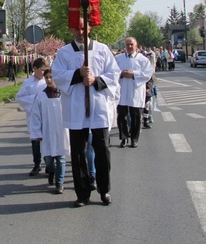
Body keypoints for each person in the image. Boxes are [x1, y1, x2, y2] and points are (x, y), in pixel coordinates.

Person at [52, 18, 121, 207]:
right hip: (76, 108)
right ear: (71, 29)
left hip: (98, 106)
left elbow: (114, 74)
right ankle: (82, 193)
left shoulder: (102, 49)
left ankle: (104, 189)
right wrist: (77, 74)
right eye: (76, 28)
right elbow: (57, 75)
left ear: (89, 28)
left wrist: (95, 80)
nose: (80, 31)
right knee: (78, 152)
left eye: (83, 28)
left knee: (102, 150)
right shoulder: (64, 53)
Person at [29, 69, 69, 194]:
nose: (49, 80)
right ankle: (51, 171)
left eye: (52, 77)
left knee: (61, 158)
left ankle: (59, 182)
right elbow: (35, 115)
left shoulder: (64, 94)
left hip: (61, 131)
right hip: (47, 132)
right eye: (47, 77)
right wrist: (36, 132)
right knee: (49, 159)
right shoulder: (41, 96)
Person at [115, 37, 154, 148]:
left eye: (131, 44)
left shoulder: (143, 60)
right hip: (122, 90)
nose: (129, 47)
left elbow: (147, 74)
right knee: (122, 116)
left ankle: (134, 139)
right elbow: (112, 72)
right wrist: (121, 74)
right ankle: (123, 137)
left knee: (135, 116)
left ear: (136, 46)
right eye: (127, 45)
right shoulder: (118, 58)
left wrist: (133, 74)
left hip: (135, 91)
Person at [15, 57, 48, 176]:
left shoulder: (47, 81)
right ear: (35, 69)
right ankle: (37, 164)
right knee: (35, 140)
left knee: (47, 140)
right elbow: (19, 97)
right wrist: (34, 100)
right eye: (42, 70)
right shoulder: (28, 83)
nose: (44, 72)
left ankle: (48, 163)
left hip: (46, 114)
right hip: (33, 115)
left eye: (46, 70)